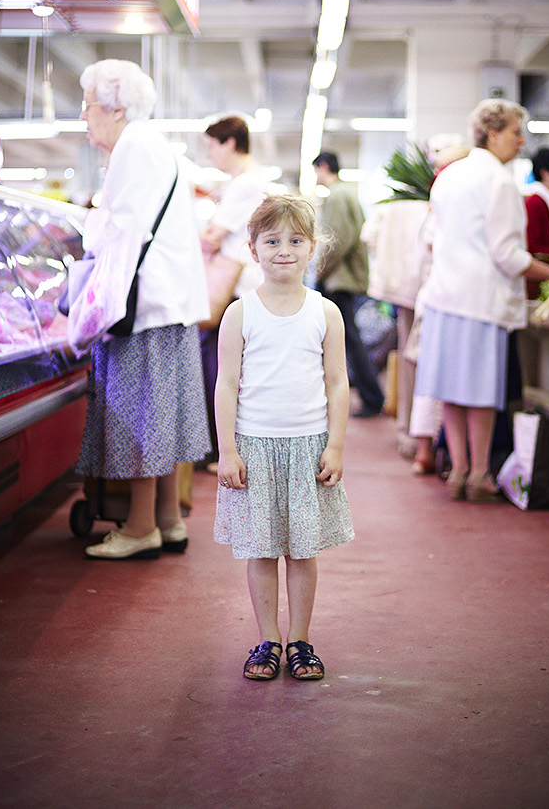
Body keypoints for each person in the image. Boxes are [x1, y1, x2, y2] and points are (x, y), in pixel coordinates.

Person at [72, 59, 211, 560]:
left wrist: (85, 226)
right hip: (169, 302)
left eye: (87, 105)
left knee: (140, 416)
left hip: (143, 307)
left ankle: (138, 527)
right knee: (165, 414)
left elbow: (121, 230)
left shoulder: (132, 146)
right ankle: (169, 521)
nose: (84, 117)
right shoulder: (158, 145)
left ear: (113, 107)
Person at [212, 194, 354, 682]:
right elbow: (226, 384)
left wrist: (335, 445)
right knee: (260, 551)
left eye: (295, 240)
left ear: (312, 248)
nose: (283, 250)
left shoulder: (325, 311)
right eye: (271, 241)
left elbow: (337, 381)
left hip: (307, 448)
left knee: (302, 551)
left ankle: (301, 640)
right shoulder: (240, 313)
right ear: (253, 249)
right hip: (255, 448)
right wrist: (227, 449)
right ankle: (267, 639)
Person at [413, 100, 549, 502]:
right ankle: (481, 474)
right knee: (481, 395)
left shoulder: (448, 177)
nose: (521, 141)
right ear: (492, 133)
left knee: (451, 391)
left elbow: (430, 239)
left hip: (442, 296)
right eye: (515, 132)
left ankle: (457, 470)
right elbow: (508, 255)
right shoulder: (500, 182)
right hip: (480, 300)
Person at [196, 114, 268, 466]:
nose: (210, 155)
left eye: (212, 146)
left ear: (229, 143)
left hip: (236, 290)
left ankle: (217, 448)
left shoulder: (246, 184)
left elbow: (212, 238)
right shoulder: (247, 181)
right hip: (240, 289)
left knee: (219, 369)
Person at [312, 151, 385, 417]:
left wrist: (320, 272)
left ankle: (372, 398)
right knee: (349, 340)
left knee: (349, 341)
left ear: (322, 167)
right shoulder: (346, 193)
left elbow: (337, 240)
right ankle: (371, 396)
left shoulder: (337, 195)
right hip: (345, 279)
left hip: (338, 281)